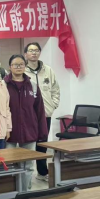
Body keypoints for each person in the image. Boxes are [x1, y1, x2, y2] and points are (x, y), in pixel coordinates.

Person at [5, 55, 49, 192]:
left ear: (25, 66)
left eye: (21, 64)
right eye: (15, 64)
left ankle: (25, 192)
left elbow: (39, 110)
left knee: (28, 165)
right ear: (10, 67)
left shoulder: (33, 85)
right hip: (9, 133)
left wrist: (42, 132)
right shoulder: (3, 85)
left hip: (29, 131)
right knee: (10, 165)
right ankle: (11, 193)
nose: (18, 67)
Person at [25, 42, 61, 182]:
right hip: (28, 116)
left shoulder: (48, 70)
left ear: (40, 53)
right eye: (30, 50)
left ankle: (42, 172)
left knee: (42, 144)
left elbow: (55, 89)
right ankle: (26, 175)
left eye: (36, 50)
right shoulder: (22, 71)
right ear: (26, 54)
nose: (33, 53)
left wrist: (53, 105)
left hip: (45, 114)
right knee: (28, 145)